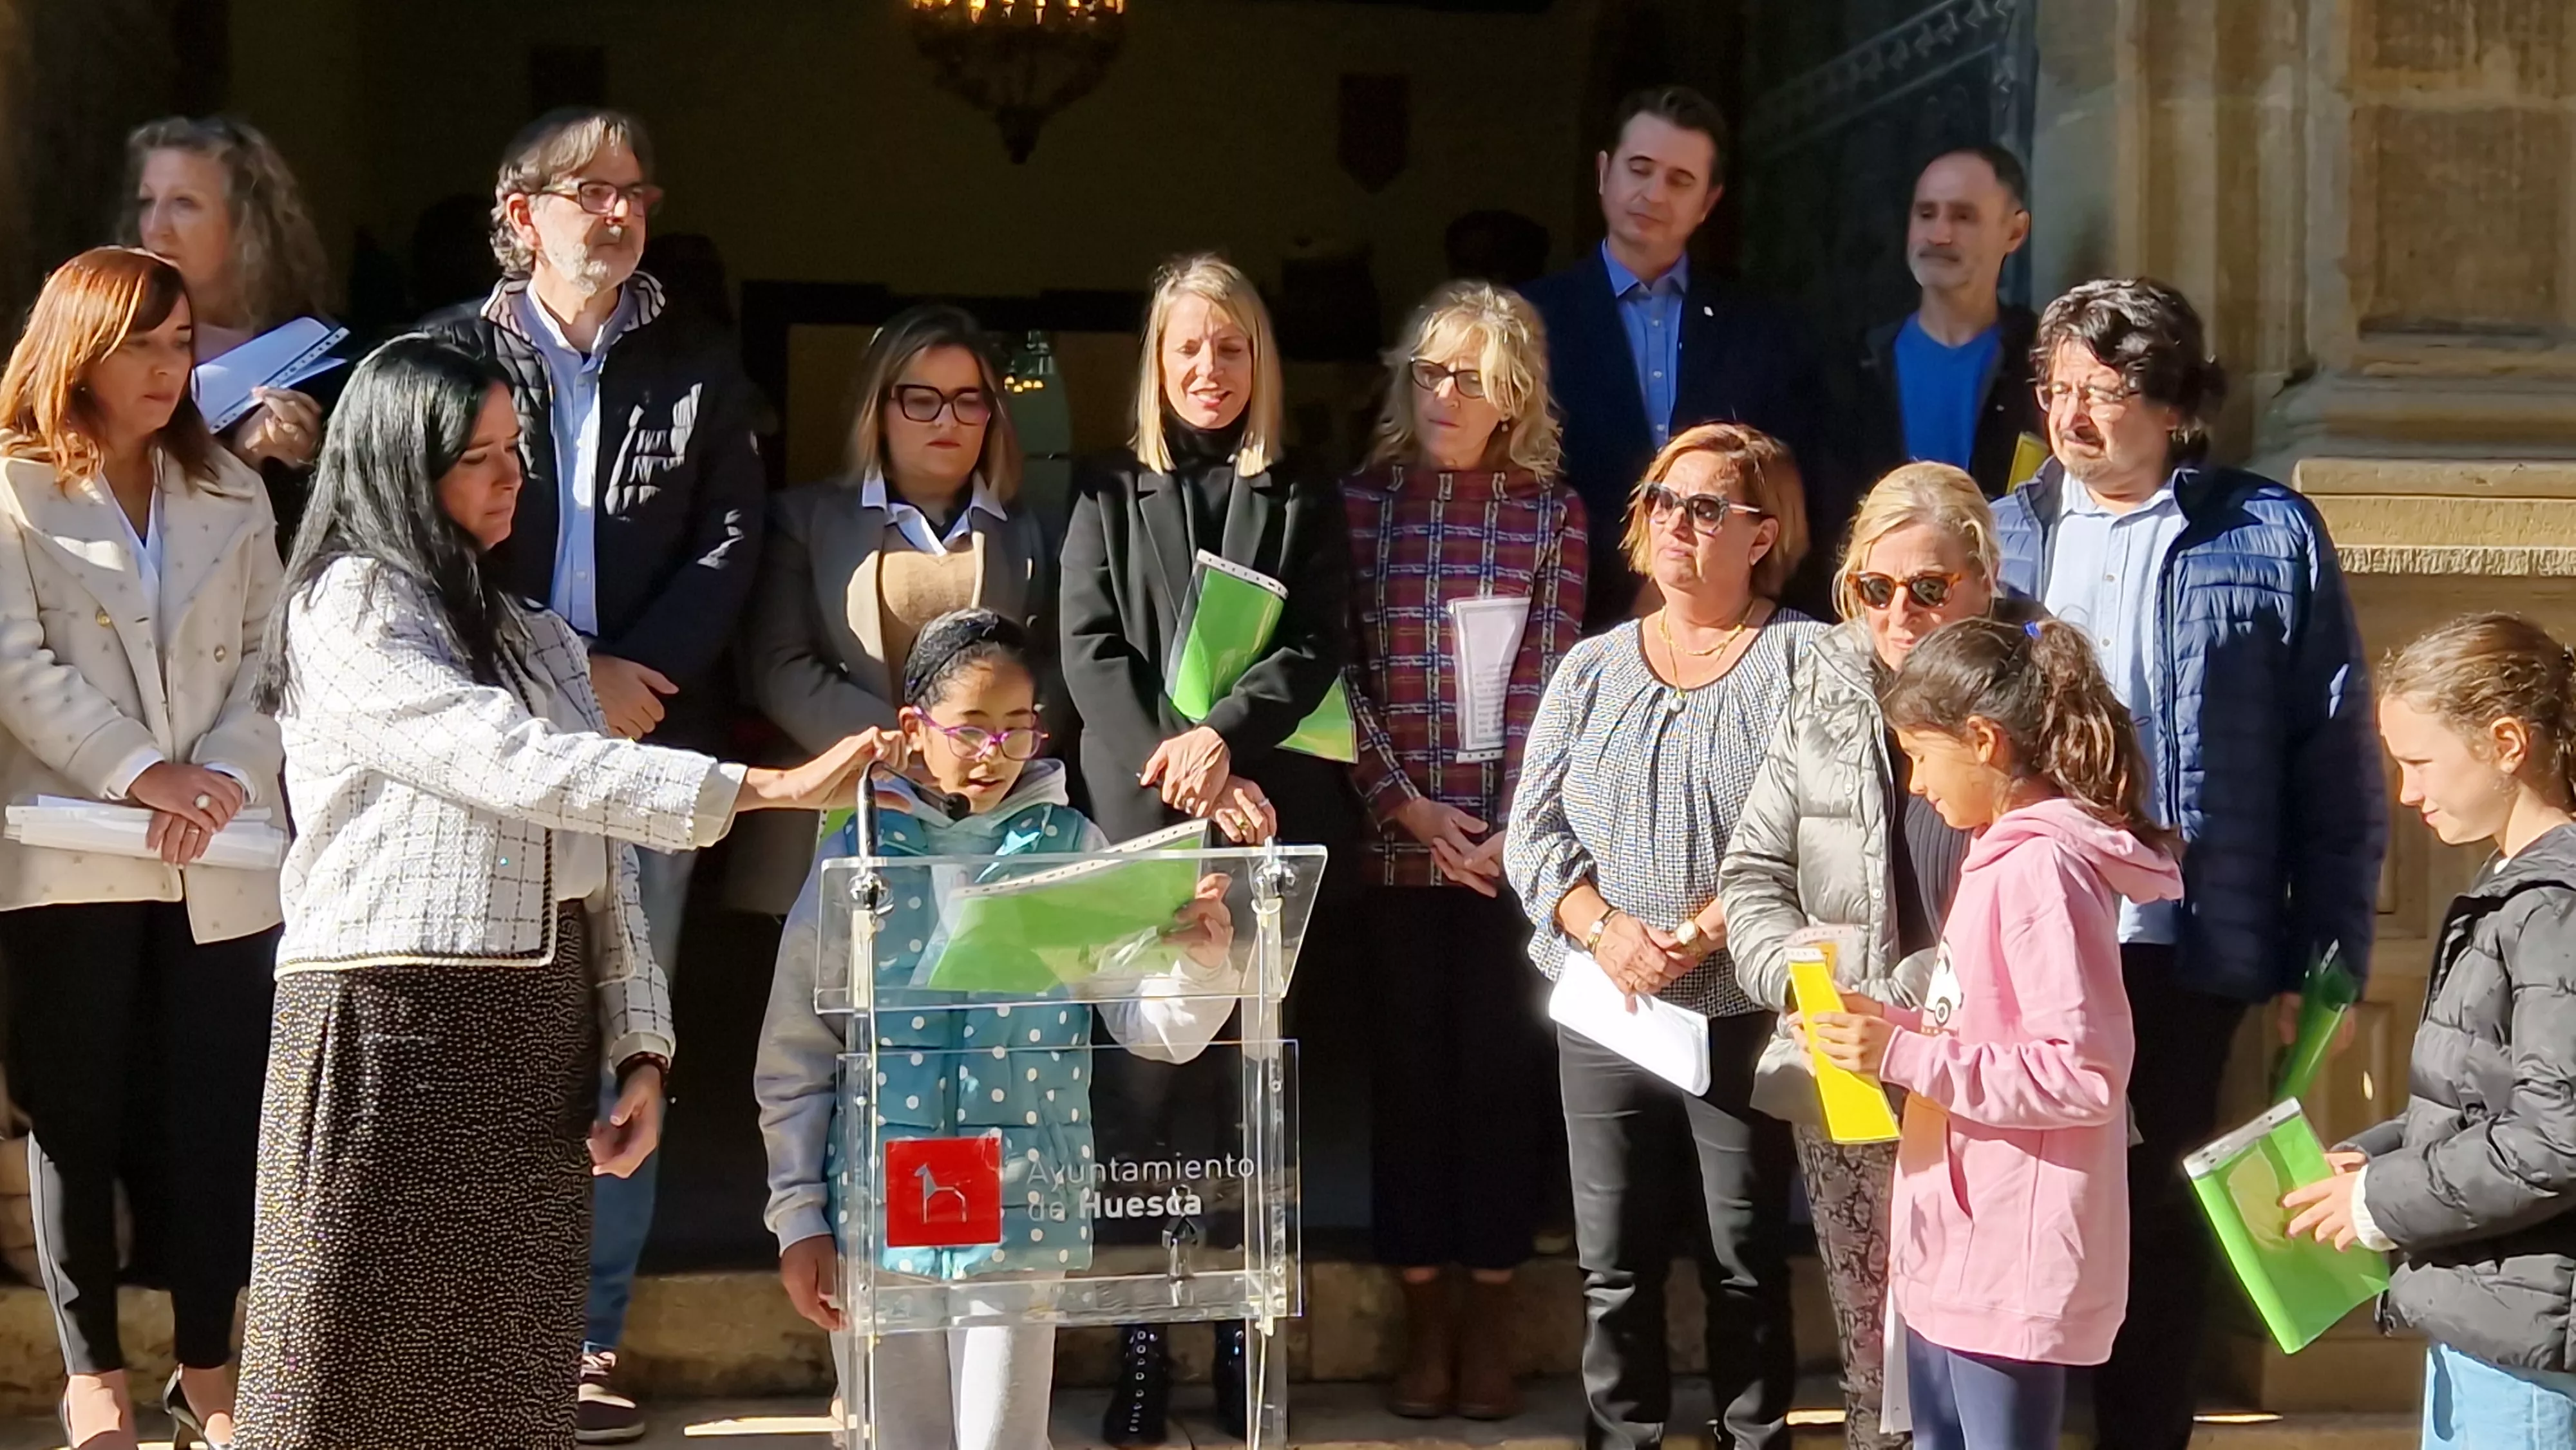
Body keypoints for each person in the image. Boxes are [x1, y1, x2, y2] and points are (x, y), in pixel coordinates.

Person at [227, 334, 874, 1450]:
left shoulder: (533, 630)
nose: (510, 477)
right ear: (398, 465)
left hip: (534, 1035)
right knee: (336, 1377)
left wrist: (639, 1043)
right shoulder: (347, 606)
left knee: (505, 1385)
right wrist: (761, 787)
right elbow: (511, 761)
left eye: (513, 449)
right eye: (477, 457)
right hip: (384, 1025)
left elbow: (603, 857)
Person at [423, 106, 768, 1444]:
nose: (616, 211)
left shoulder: (697, 361)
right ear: (523, 215)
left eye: (634, 190)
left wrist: (632, 685)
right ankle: (469, 1321)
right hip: (487, 742)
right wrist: (550, 683)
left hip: (642, 739)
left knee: (632, 1033)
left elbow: (731, 539)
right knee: (488, 1025)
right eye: (587, 190)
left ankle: (585, 1335)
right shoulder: (450, 355)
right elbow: (425, 527)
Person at [1992, 278, 2385, 1450]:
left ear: (2174, 405)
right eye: (2055, 391)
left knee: (2159, 1216)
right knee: (2027, 1209)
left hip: (2186, 939)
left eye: (2101, 394)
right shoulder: (2004, 534)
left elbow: (2333, 758)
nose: (2071, 418)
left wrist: (2328, 957)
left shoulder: (2265, 533)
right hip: (2027, 940)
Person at [757, 609, 1256, 1450]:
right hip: (881, 1200)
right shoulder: (857, 853)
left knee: (1002, 1436)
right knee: (893, 1435)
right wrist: (799, 1217)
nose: (995, 752)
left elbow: (1151, 1028)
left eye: (1016, 729)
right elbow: (799, 1052)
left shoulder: (1068, 846)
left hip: (1024, 1195)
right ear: (915, 729)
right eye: (972, 729)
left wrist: (1201, 963)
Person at [1059, 254, 1355, 1445]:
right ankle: (1143, 1347)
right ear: (1157, 359)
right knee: (1140, 1094)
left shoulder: (1299, 492)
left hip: (1264, 818)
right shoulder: (1101, 490)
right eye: (1189, 347)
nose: (1209, 369)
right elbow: (1089, 651)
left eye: (1231, 348)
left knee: (1245, 1094)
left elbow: (1320, 642)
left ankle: (1240, 1338)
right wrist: (1179, 772)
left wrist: (1226, 746)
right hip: (1144, 824)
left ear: (1260, 361)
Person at [0, 247, 281, 1450]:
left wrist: (217, 778)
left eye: (182, 343)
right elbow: (15, 667)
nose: (170, 368)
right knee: (77, 1109)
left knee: (218, 1105)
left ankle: (210, 1365)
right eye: (143, 344)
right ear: (80, 348)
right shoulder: (14, 489)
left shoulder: (233, 488)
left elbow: (275, 660)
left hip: (217, 847)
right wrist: (143, 771)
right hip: (74, 844)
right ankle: (94, 1371)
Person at [1504, 422, 1821, 1450]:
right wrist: (1602, 930)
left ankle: (1752, 1434)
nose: (1675, 524)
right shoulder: (1592, 666)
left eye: (1705, 507)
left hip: (1744, 1004)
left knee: (1741, 1249)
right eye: (1661, 502)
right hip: (1610, 1005)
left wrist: (1704, 930)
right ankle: (1623, 1435)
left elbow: (1825, 827)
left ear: (1763, 534)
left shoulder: (1808, 660)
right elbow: (1533, 831)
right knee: (1613, 1257)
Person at [1809, 616, 2183, 1450]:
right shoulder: (2002, 858)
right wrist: (1888, 1025)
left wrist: (1902, 1055)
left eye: (1921, 755)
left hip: (2007, 1250)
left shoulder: (2041, 871)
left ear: (1983, 739)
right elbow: (1982, 1030)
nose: (1914, 785)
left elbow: (2081, 1074)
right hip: (1961, 1239)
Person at [1719, 461, 2016, 1449]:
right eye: (1874, 589)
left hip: (1986, 1072)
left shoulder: (2035, 697)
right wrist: (1793, 985)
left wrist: (1886, 1003)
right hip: (1842, 1060)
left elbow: (2032, 905)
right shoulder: (1820, 686)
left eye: (1929, 588)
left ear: (1981, 581)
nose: (1900, 613)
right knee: (1870, 1348)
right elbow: (1754, 869)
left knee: (1977, 1354)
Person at [1340, 281, 1586, 1422]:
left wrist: (1497, 831)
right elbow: (1333, 675)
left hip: (1509, 854)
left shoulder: (1555, 514)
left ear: (1515, 394)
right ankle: (1423, 1321)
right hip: (1396, 846)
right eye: (1431, 370)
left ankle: (1490, 1317)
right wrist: (1410, 810)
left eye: (1473, 376)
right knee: (1407, 1084)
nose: (1447, 394)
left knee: (1499, 1082)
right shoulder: (1360, 506)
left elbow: (1558, 676)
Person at [2283, 614, 2576, 1450]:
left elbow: (2557, 1139)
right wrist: (2371, 1159)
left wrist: (2378, 1203)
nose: (2407, 793)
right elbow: (2479, 1103)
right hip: (2488, 1320)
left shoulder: (2555, 905)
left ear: (2508, 743)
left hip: (2529, 1343)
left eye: (2419, 763)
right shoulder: (2513, 886)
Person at [1521, 86, 1832, 627]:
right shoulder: (1528, 325)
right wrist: (1638, 592)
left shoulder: (1763, 331)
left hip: (1733, 626)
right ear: (1603, 173)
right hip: (1569, 623)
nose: (1654, 193)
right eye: (1639, 169)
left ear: (1709, 202)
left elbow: (1791, 488)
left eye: (1679, 180)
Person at [121, 115, 349, 540]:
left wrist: (304, 462)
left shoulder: (323, 365)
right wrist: (230, 459)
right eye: (146, 202)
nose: (155, 228)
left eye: (184, 204)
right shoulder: (104, 344)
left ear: (247, 224)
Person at [1846, 147, 2042, 498]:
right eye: (1925, 214)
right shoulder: (1855, 368)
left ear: (2015, 232)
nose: (1938, 235)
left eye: (1963, 217)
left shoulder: (2044, 366)